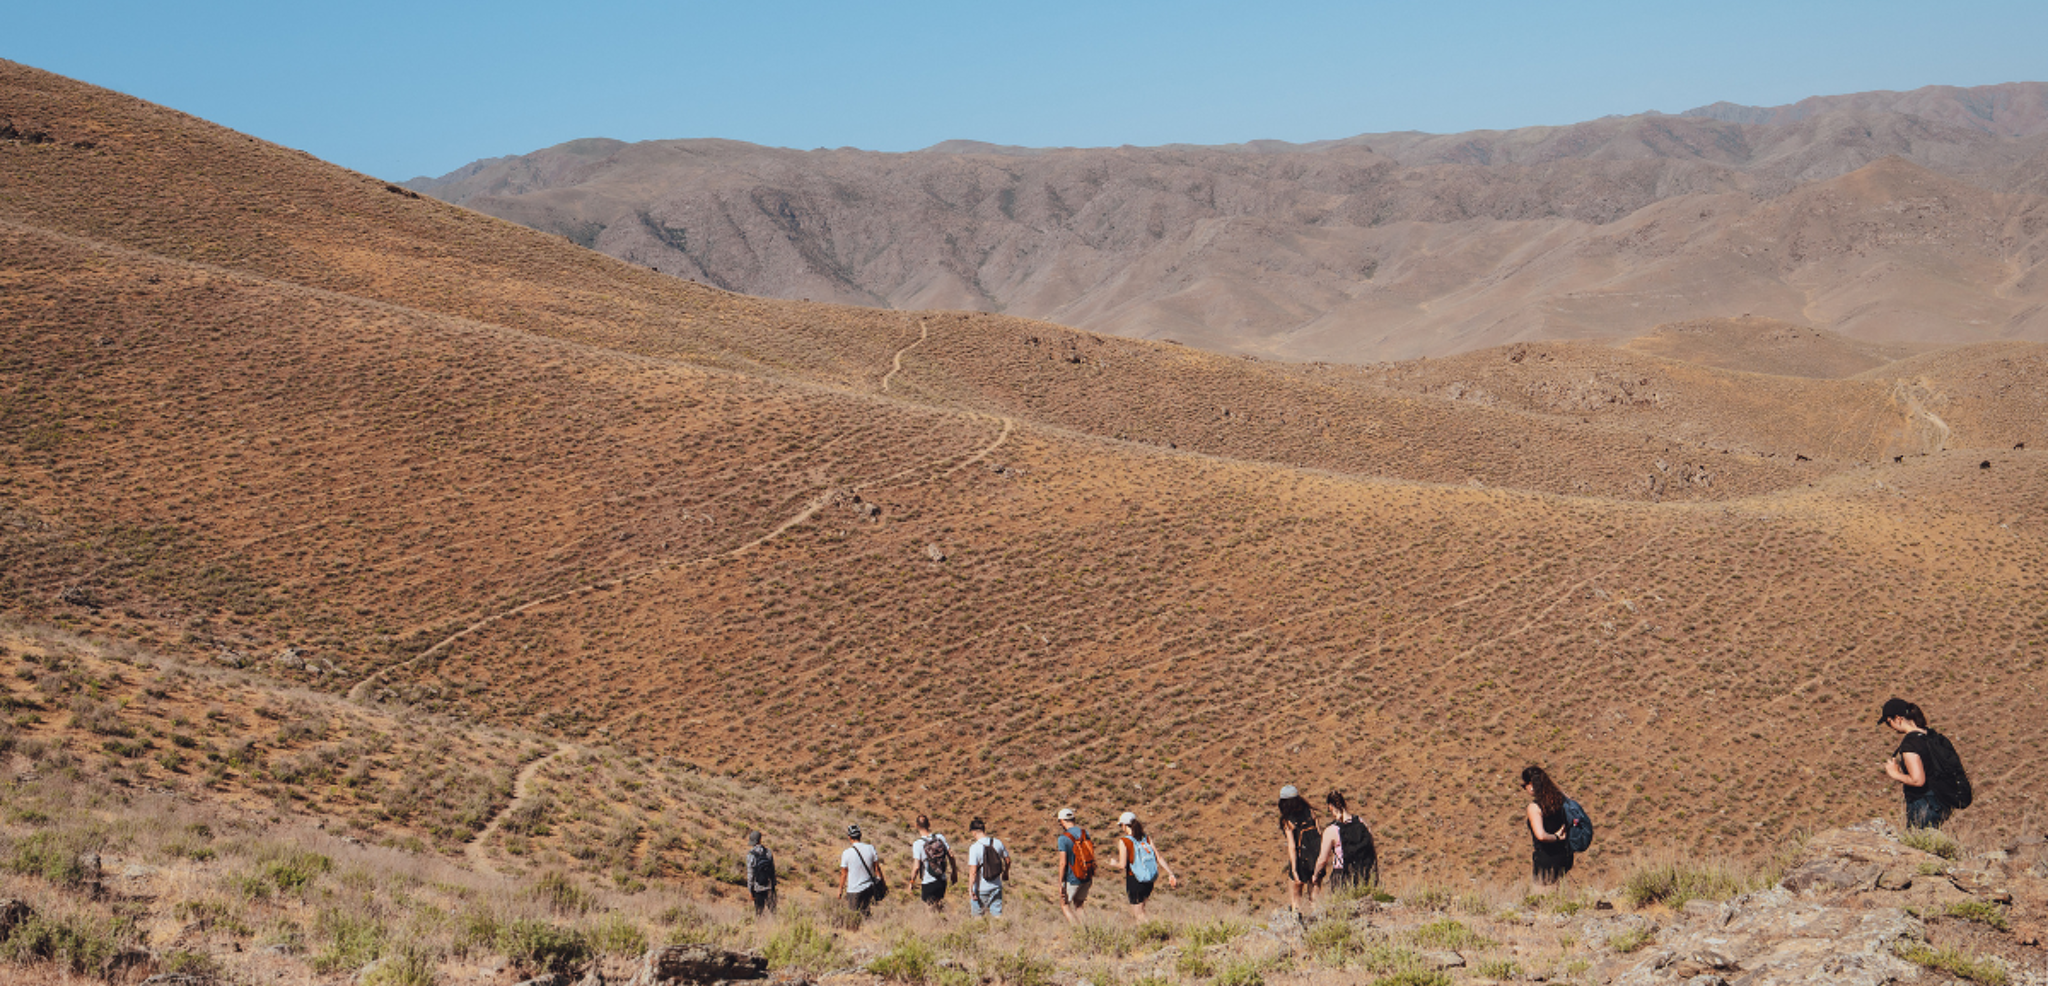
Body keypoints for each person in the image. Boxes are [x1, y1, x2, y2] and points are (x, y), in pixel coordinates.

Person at [1879, 697, 1957, 829]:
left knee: (1917, 841)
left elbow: (1917, 780)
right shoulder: (1930, 735)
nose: (1890, 727)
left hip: (1924, 804)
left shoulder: (1910, 743)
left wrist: (1895, 773)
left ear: (1898, 719)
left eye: (1888, 722)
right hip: (1941, 802)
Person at [1108, 810, 1178, 920]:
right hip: (1149, 880)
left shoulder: (1124, 841)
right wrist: (1171, 873)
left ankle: (1151, 932)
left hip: (1135, 879)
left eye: (1121, 825)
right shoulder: (1146, 838)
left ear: (1125, 825)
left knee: (1138, 914)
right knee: (1142, 910)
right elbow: (1158, 857)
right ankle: (1146, 933)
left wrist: (1114, 863)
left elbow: (1122, 865)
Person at [1311, 790, 1377, 897]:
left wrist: (1315, 876)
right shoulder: (1362, 822)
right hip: (1365, 873)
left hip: (1342, 876)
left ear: (1331, 807)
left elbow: (1322, 859)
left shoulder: (1331, 830)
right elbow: (1371, 846)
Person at [1521, 766, 1573, 885]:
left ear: (1531, 785)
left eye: (1525, 786)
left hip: (1546, 857)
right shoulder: (1562, 799)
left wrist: (1556, 837)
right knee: (1560, 893)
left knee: (1543, 898)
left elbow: (1541, 836)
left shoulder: (1535, 807)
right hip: (1565, 855)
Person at [1276, 786, 1320, 913]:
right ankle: (1317, 920)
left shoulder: (1287, 820)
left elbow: (1292, 847)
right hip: (1315, 856)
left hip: (1301, 858)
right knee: (1315, 895)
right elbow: (1319, 835)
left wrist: (1294, 870)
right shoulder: (1310, 812)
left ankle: (1297, 920)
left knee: (1296, 895)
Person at [1054, 807, 1097, 924]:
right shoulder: (1085, 833)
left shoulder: (1063, 838)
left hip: (1073, 878)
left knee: (1064, 904)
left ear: (1062, 821)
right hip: (1087, 875)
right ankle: (1088, 932)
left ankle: (1078, 932)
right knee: (1079, 906)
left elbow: (1063, 863)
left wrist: (1060, 883)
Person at [965, 817, 1009, 917]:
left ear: (974, 832)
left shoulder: (974, 847)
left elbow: (973, 871)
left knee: (978, 918)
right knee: (997, 916)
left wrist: (970, 889)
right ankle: (999, 931)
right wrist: (1006, 873)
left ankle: (982, 932)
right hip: (996, 886)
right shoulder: (997, 843)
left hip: (981, 889)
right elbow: (1008, 860)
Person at [838, 824, 885, 915]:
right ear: (860, 835)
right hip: (869, 888)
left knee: (854, 916)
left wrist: (840, 889)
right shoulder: (870, 848)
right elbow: (877, 869)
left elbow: (844, 873)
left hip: (854, 890)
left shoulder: (847, 853)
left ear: (849, 837)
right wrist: (882, 884)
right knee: (866, 913)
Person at [911, 814, 953, 911]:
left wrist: (911, 882)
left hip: (928, 881)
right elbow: (951, 855)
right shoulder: (940, 837)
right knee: (938, 907)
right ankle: (942, 924)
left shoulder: (918, 844)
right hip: (942, 879)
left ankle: (934, 926)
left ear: (916, 825)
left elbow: (916, 867)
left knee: (930, 910)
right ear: (929, 824)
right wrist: (954, 872)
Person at [743, 830, 777, 916]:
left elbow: (750, 874)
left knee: (758, 913)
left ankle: (759, 927)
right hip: (769, 886)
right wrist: (773, 885)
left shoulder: (751, 855)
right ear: (760, 839)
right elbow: (772, 870)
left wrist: (750, 890)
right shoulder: (768, 852)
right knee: (774, 913)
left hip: (758, 888)